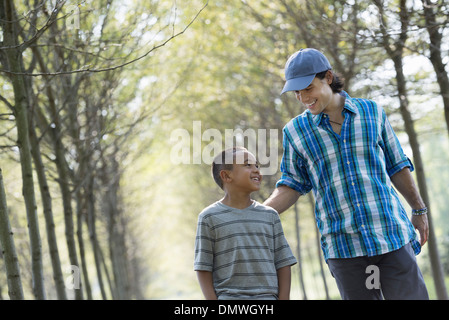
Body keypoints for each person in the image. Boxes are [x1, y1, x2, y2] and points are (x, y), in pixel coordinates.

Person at [264, 48, 429, 300]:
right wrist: (257, 214)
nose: (302, 97)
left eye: (308, 88)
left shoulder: (372, 112)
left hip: (391, 236)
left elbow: (397, 165)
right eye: (296, 91)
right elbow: (291, 184)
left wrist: (418, 209)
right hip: (344, 249)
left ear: (328, 77)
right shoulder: (295, 132)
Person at [194, 147, 297, 300]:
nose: (256, 170)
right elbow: (203, 266)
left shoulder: (270, 215)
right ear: (226, 176)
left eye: (257, 166)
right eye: (248, 165)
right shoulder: (209, 218)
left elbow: (283, 262)